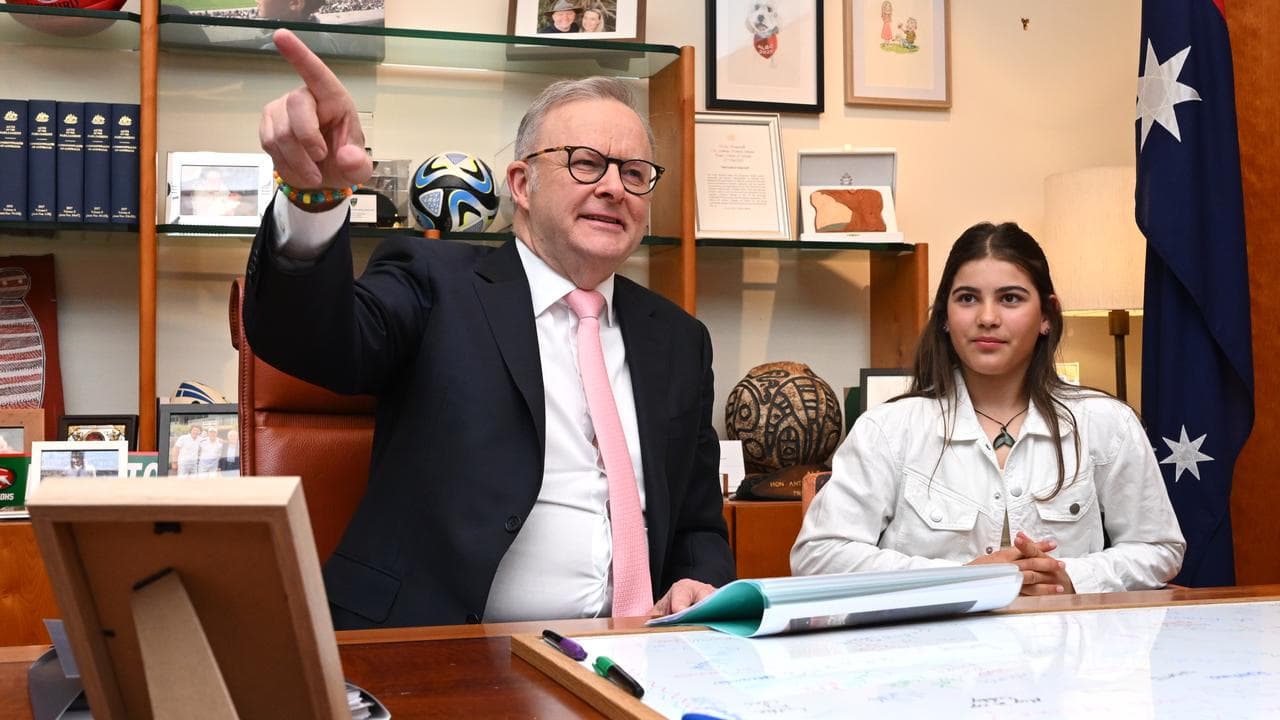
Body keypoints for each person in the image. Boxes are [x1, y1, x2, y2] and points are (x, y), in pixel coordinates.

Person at [242, 29, 734, 629]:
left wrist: (696, 579)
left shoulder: (679, 340)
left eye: (634, 173)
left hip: (629, 654)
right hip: (438, 647)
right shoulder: (433, 282)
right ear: (522, 185)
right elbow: (311, 340)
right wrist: (312, 201)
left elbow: (696, 523)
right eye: (586, 163)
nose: (613, 187)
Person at [791, 222, 1185, 595]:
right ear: (945, 316)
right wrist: (960, 580)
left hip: (1066, 652)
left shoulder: (1106, 422)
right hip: (929, 654)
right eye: (967, 299)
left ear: (1046, 315)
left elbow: (1158, 548)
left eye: (1010, 298)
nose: (987, 318)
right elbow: (819, 556)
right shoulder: (887, 428)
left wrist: (1068, 578)